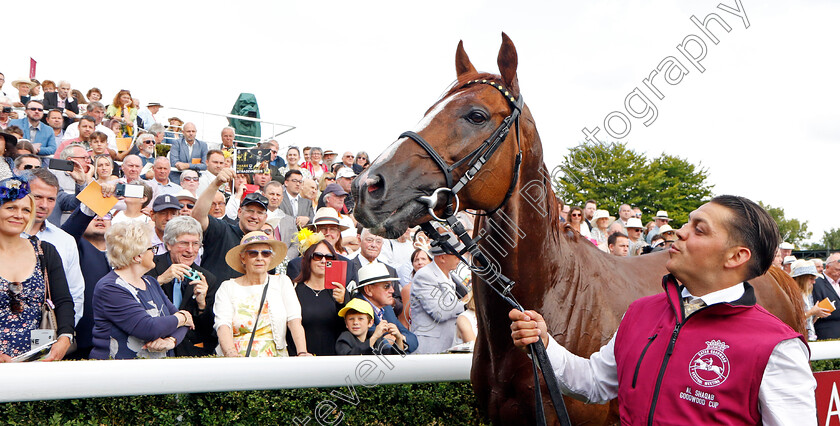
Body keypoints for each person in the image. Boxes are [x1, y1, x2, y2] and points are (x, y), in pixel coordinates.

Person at [509, 195, 815, 424]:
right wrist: (545, 345)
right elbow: (593, 382)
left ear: (736, 256)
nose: (680, 232)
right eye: (687, 223)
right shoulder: (640, 312)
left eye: (699, 230)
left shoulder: (778, 348)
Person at [90, 221, 192, 359]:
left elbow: (182, 325)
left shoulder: (150, 282)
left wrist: (171, 341)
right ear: (137, 256)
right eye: (152, 249)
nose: (154, 254)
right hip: (119, 373)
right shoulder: (110, 288)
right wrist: (183, 317)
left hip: (155, 373)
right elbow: (148, 328)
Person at [0, 176, 74, 362]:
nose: (19, 215)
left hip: (39, 361)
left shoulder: (44, 251)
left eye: (26, 210)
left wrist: (65, 338)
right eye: (11, 208)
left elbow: (63, 301)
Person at [215, 231, 307, 357]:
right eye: (253, 253)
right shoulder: (227, 287)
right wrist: (231, 354)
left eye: (265, 253)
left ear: (270, 258)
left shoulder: (282, 282)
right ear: (243, 258)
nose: (260, 258)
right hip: (238, 359)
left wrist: (302, 352)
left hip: (275, 358)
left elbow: (294, 320)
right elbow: (222, 325)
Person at [145, 216, 219, 356]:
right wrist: (160, 281)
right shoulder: (150, 267)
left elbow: (209, 329)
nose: (190, 250)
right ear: (168, 244)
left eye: (196, 244)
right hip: (151, 345)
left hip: (189, 353)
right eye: (184, 243)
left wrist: (202, 304)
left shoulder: (207, 278)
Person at [24, 168, 85, 326]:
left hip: (53, 334)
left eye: (51, 199)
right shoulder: (6, 236)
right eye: (37, 197)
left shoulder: (65, 240)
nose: (44, 205)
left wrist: (64, 334)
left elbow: (75, 293)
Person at [192, 168, 270, 283]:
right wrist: (216, 184)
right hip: (212, 299)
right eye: (249, 211)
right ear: (239, 212)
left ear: (265, 218)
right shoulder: (223, 230)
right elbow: (197, 217)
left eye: (259, 213)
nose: (254, 216)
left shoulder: (265, 247)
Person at [288, 230, 347, 356]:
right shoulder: (293, 290)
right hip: (300, 359)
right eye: (318, 256)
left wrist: (342, 303)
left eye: (329, 257)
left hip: (332, 360)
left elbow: (347, 329)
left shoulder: (340, 291)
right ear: (308, 259)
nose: (323, 261)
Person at [409, 232, 468, 354]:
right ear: (442, 257)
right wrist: (466, 303)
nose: (459, 258)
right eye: (455, 254)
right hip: (430, 347)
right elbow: (439, 312)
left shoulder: (450, 276)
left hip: (448, 344)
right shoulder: (424, 276)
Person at [352, 262, 418, 353]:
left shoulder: (387, 308)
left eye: (392, 285)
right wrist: (396, 339)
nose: (392, 290)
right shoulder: (356, 309)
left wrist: (399, 337)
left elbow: (413, 339)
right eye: (386, 286)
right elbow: (381, 346)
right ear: (368, 290)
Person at [285, 207, 352, 289]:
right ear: (314, 232)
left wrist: (343, 298)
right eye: (323, 229)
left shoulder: (349, 265)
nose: (327, 233)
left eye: (332, 229)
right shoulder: (297, 265)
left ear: (338, 235)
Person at [349, 228, 402, 315]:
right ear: (359, 240)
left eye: (378, 242)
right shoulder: (349, 267)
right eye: (369, 240)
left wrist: (389, 301)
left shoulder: (390, 270)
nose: (374, 245)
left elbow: (399, 305)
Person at [336, 296, 405, 355]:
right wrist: (374, 337)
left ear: (370, 323)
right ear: (346, 323)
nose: (355, 322)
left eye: (360, 319)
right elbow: (352, 358)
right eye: (351, 319)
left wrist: (398, 338)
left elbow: (393, 358)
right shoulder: (344, 338)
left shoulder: (376, 339)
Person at [791, 260, 828, 341]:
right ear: (801, 278)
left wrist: (817, 314)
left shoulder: (807, 294)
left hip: (809, 336)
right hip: (796, 339)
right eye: (811, 278)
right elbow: (792, 320)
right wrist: (812, 312)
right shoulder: (791, 295)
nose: (814, 282)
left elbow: (808, 321)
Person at [399, 247, 432, 329]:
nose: (420, 262)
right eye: (416, 260)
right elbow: (404, 321)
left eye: (423, 259)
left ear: (431, 261)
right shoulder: (408, 289)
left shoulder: (440, 283)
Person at [812, 253, 840, 340]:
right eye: (837, 270)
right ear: (827, 267)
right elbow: (819, 310)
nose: (839, 273)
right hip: (827, 332)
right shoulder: (816, 283)